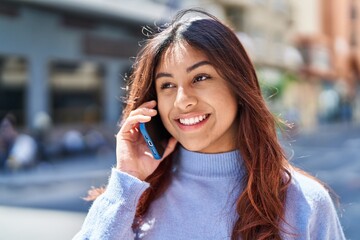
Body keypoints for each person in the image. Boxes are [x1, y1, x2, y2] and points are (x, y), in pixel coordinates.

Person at [73, 9, 345, 240]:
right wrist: (127, 180)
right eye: (167, 85)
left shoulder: (305, 203)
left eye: (200, 78)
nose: (182, 101)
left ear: (238, 86)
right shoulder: (129, 203)